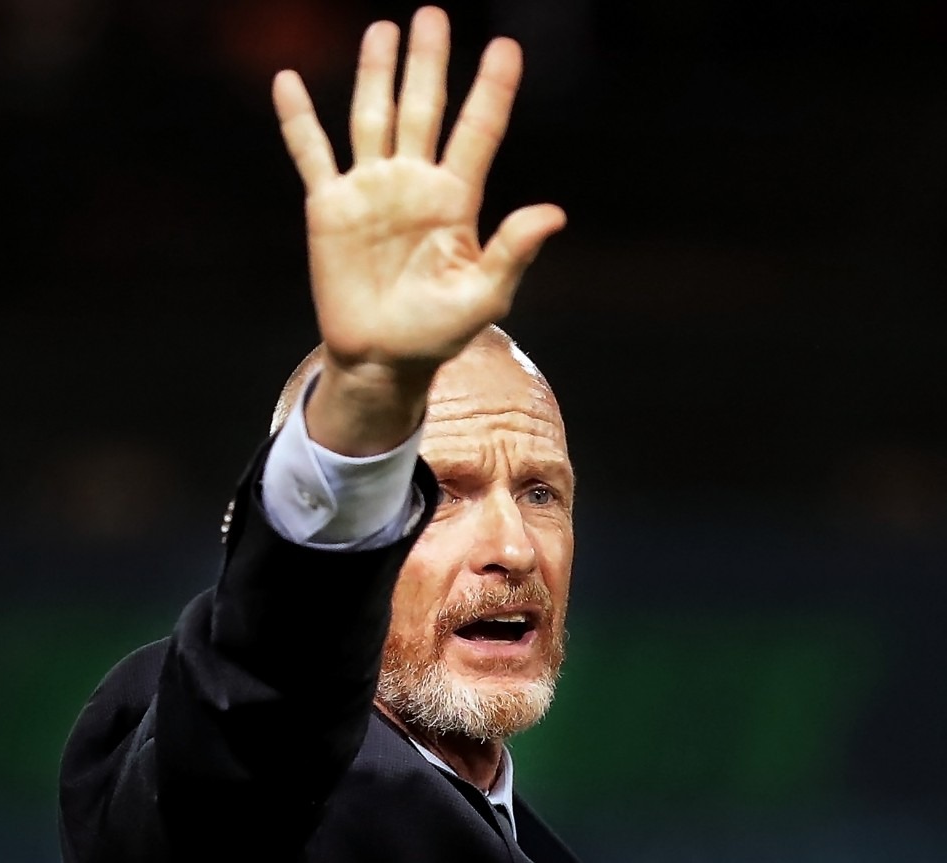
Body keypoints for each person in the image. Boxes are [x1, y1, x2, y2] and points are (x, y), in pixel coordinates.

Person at [58, 7, 580, 861]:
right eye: (438, 493)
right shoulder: (260, 785)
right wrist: (370, 401)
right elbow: (263, 696)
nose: (512, 547)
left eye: (539, 491)